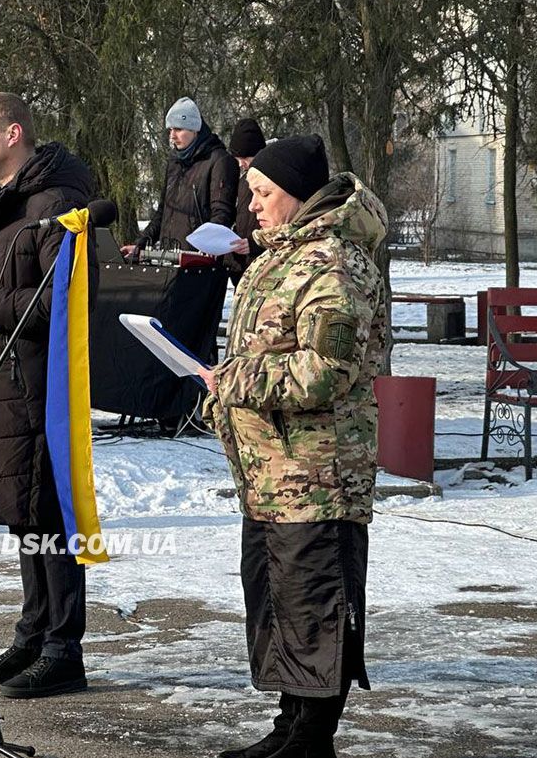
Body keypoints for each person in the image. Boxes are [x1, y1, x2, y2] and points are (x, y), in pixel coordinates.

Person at [198, 135, 389, 758]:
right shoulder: (282, 257)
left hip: (318, 473)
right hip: (273, 473)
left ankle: (312, 737)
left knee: (314, 606)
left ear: (300, 197)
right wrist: (221, 392)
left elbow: (324, 372)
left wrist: (236, 382)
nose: (252, 205)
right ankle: (290, 727)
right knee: (279, 600)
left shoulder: (333, 262)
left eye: (263, 193)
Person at [0, 91, 96, 699]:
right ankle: (33, 635)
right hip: (6, 386)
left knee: (51, 517)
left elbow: (60, 305)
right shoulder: (7, 207)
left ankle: (64, 648)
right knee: (24, 515)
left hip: (41, 390)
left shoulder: (55, 204)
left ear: (13, 134)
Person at [122, 97, 239, 258]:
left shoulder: (219, 161)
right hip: (168, 256)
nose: (172, 136)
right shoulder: (175, 162)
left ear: (194, 129)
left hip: (199, 261)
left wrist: (206, 248)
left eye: (178, 129)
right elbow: (163, 211)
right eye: (170, 130)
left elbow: (222, 212)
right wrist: (140, 245)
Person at [223, 118, 267, 285]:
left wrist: (255, 244)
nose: (241, 164)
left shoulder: (273, 182)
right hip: (241, 268)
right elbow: (241, 217)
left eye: (244, 158)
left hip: (262, 267)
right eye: (237, 158)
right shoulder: (243, 181)